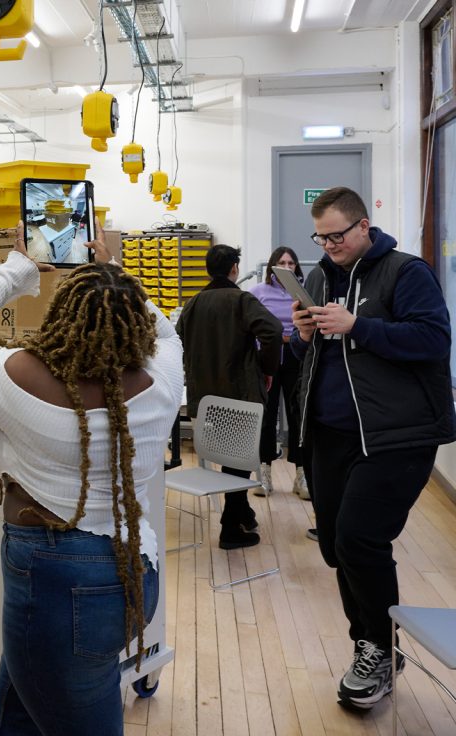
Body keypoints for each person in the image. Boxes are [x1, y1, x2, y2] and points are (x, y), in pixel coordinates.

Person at [0, 220, 182, 735]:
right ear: (133, 321)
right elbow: (167, 332)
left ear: (61, 316)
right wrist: (116, 276)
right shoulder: (165, 379)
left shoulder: (16, 375)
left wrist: (15, 271)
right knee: (23, 703)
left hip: (55, 580)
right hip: (133, 569)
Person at [291, 186, 455, 711]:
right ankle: (370, 640)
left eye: (337, 234)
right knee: (337, 548)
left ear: (364, 226)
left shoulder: (406, 273)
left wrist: (358, 326)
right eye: (320, 236)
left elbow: (432, 340)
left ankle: (378, 651)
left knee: (360, 540)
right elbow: (321, 353)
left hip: (396, 437)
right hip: (331, 434)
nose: (328, 244)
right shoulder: (317, 277)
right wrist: (303, 334)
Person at [176, 244, 282, 550]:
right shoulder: (241, 299)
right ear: (235, 268)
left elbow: (178, 342)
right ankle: (230, 529)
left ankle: (243, 513)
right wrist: (266, 367)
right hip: (240, 394)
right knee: (238, 462)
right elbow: (273, 331)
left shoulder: (193, 304)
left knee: (227, 458)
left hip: (204, 398)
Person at [249, 247, 309, 499]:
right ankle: (264, 472)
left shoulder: (303, 293)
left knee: (298, 416)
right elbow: (250, 327)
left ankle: (301, 474)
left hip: (295, 357)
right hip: (268, 358)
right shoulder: (257, 293)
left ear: (296, 267)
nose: (286, 266)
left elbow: (309, 325)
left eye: (291, 263)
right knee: (266, 415)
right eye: (281, 262)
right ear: (272, 266)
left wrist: (289, 338)